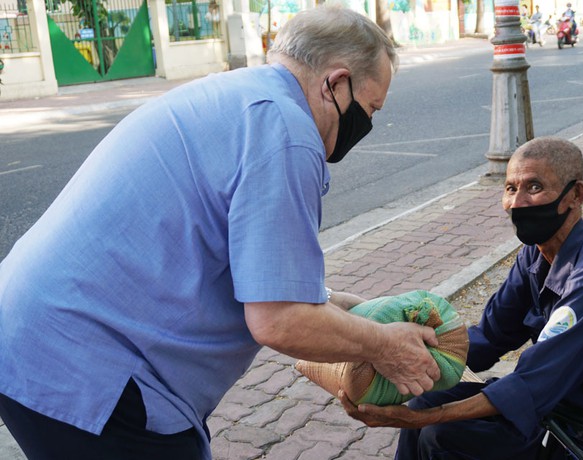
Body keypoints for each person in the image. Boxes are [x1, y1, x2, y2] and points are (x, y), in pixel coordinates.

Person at [0, 6, 442, 460]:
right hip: (87, 365)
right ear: (336, 81)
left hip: (34, 334)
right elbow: (280, 318)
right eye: (370, 108)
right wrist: (384, 346)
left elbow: (264, 277)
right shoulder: (287, 133)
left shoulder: (245, 96)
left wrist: (363, 312)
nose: (366, 124)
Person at [340, 137, 583, 459]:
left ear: (575, 194)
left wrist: (424, 420)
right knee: (427, 402)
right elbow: (488, 338)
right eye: (511, 188)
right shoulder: (534, 256)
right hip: (559, 407)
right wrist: (401, 361)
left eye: (534, 187)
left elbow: (530, 384)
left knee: (440, 435)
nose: (517, 203)